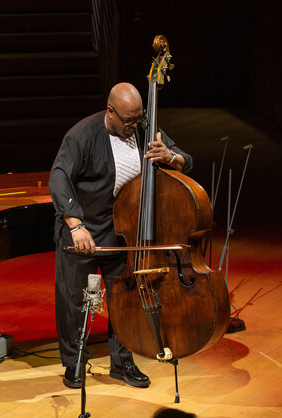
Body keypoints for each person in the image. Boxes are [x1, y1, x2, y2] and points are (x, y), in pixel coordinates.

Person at [49, 82, 193, 389]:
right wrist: (75, 225)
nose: (134, 126)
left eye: (138, 119)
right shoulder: (82, 135)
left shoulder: (142, 129)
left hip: (124, 232)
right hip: (84, 230)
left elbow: (185, 160)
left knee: (124, 300)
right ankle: (74, 362)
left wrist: (171, 156)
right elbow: (59, 178)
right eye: (128, 121)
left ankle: (123, 363)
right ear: (111, 111)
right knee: (74, 301)